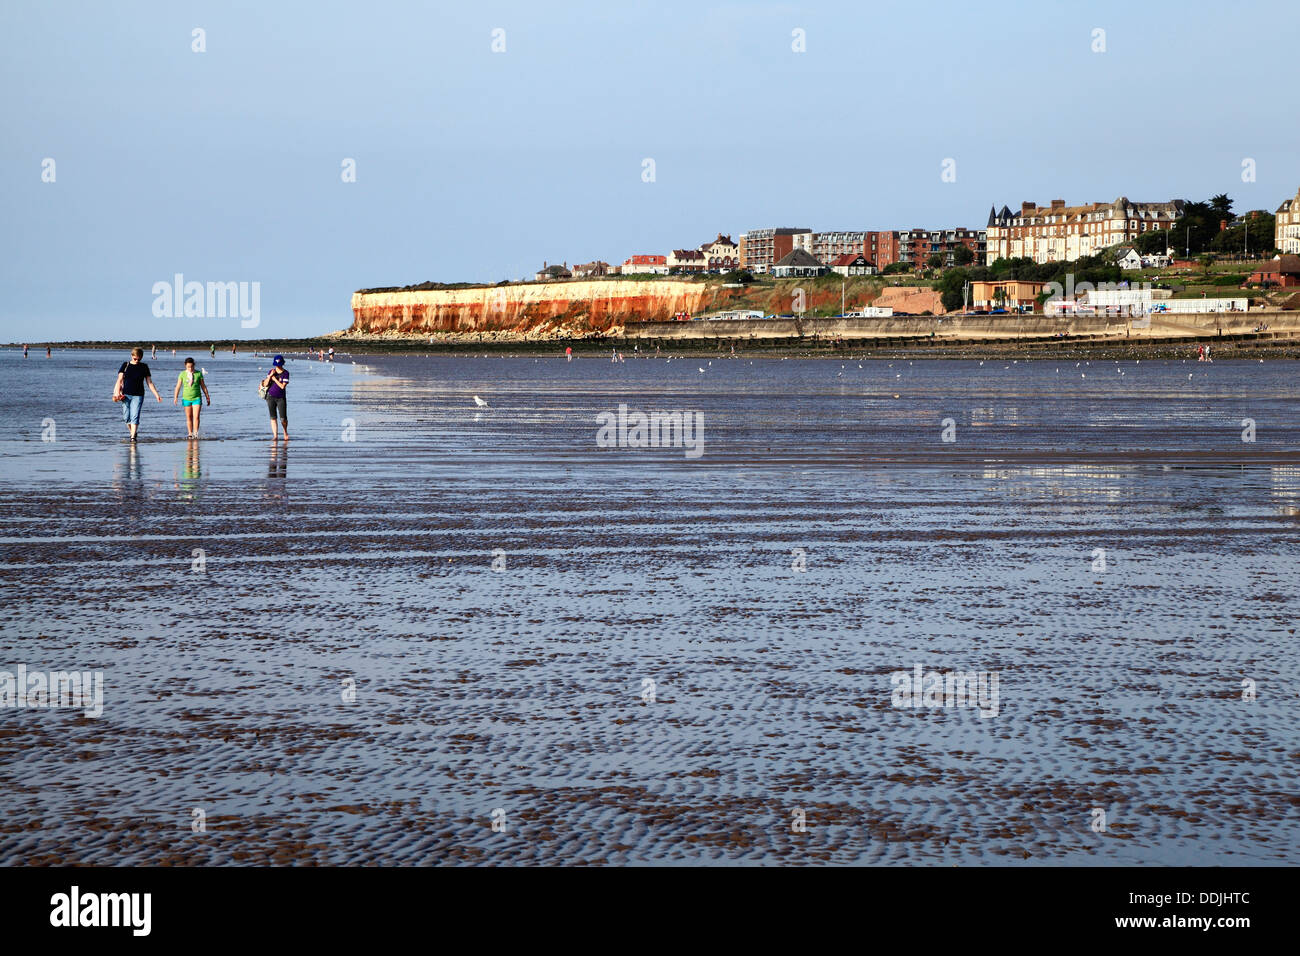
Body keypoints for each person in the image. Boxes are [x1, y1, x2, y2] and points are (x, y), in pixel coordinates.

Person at [113, 347, 161, 441]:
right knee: (126, 417)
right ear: (132, 356)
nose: (137, 360)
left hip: (138, 395)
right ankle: (133, 432)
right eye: (135, 359)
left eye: (139, 359)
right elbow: (119, 380)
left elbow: (149, 382)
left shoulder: (144, 367)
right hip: (125, 395)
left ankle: (132, 437)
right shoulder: (125, 365)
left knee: (135, 416)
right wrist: (117, 393)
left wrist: (156, 394)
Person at [173, 357, 211, 438]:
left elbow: (203, 386)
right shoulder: (182, 374)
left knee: (196, 416)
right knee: (189, 417)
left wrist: (207, 396)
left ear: (194, 365)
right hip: (186, 399)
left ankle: (195, 433)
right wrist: (175, 397)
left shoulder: (198, 374)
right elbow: (178, 387)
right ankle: (190, 433)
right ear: (185, 366)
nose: (190, 369)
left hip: (197, 398)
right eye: (188, 367)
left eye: (192, 367)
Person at [261, 355, 290, 440]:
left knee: (283, 418)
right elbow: (265, 384)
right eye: (277, 364)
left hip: (281, 398)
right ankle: (275, 436)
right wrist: (270, 376)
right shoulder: (271, 371)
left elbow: (282, 387)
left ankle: (285, 432)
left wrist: (275, 379)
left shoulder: (286, 373)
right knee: (273, 417)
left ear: (283, 363)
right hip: (270, 397)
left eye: (279, 364)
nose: (278, 366)